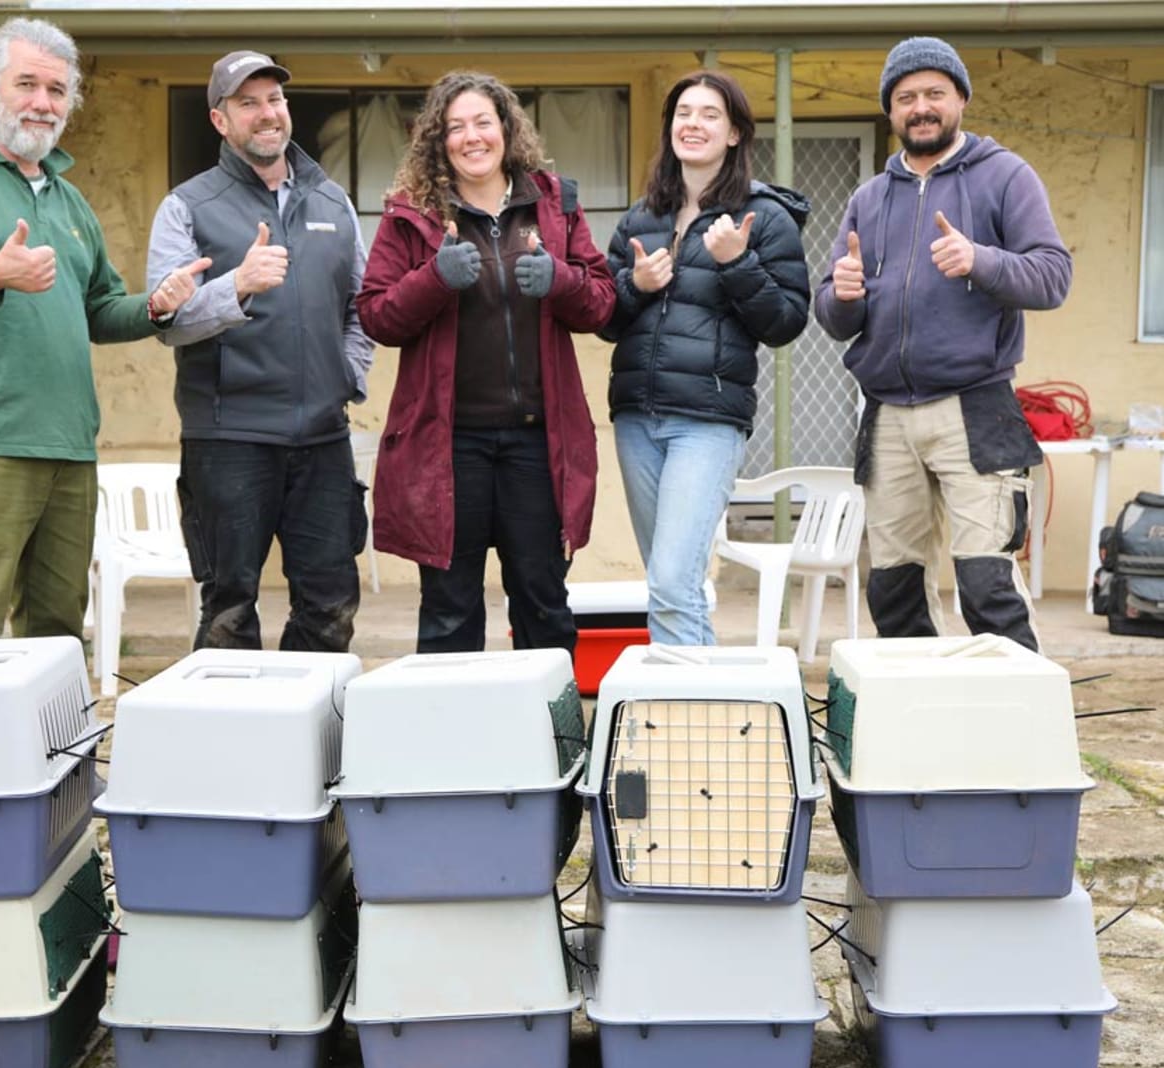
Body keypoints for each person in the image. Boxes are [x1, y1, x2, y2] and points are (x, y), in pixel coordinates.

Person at [0, 17, 204, 643]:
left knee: (55, 634)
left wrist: (157, 304)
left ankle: (55, 747)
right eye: (28, 84)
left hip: (69, 451)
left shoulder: (70, 203)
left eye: (57, 91)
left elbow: (100, 310)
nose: (43, 103)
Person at [815, 36, 1071, 652]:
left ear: (960, 98)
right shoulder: (869, 199)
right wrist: (842, 293)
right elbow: (831, 315)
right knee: (894, 590)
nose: (920, 107)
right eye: (906, 98)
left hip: (975, 407)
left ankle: (1019, 732)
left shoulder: (1005, 175)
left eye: (934, 93)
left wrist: (978, 259)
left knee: (987, 584)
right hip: (887, 416)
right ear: (891, 111)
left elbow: (1053, 276)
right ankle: (922, 728)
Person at [357, 71, 615, 653]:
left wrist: (560, 280)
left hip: (536, 444)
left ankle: (553, 742)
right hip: (447, 447)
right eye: (455, 127)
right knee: (450, 610)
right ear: (438, 140)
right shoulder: (411, 215)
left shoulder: (553, 204)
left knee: (543, 602)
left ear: (505, 128)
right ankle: (453, 742)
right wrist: (433, 280)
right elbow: (376, 315)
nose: (471, 137)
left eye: (482, 122)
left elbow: (600, 304)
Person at [147, 51, 374, 652]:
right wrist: (235, 285)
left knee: (330, 606)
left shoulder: (333, 203)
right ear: (221, 121)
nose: (266, 113)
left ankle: (307, 740)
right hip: (229, 441)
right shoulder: (185, 207)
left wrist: (346, 375)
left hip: (324, 441)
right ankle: (231, 742)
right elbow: (168, 320)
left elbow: (362, 305)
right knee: (228, 612)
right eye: (248, 103)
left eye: (274, 99)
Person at [602, 71, 810, 646]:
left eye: (710, 114)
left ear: (736, 133)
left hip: (708, 421)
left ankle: (689, 717)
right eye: (683, 113)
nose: (693, 124)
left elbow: (787, 323)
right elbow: (604, 319)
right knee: (672, 583)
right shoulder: (640, 218)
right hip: (637, 419)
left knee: (671, 581)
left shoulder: (763, 218)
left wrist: (737, 262)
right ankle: (696, 715)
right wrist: (635, 284)